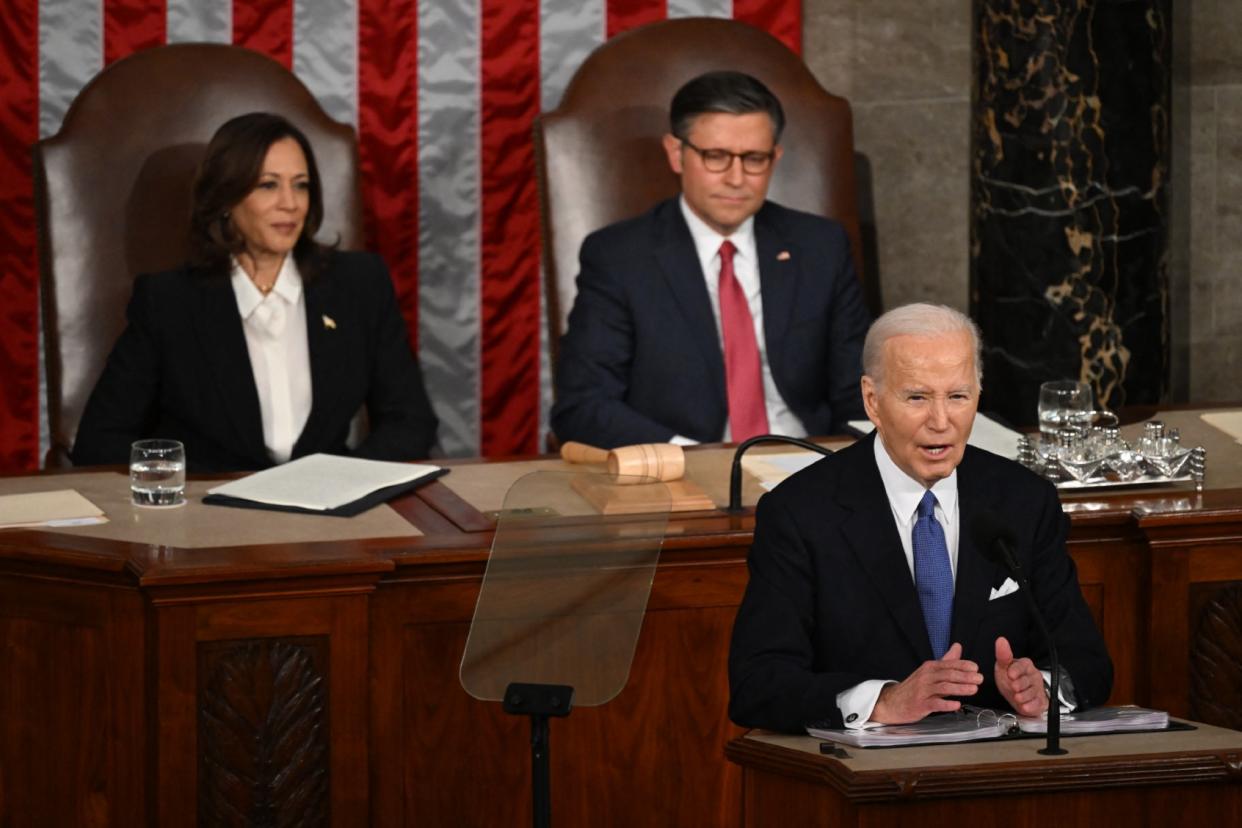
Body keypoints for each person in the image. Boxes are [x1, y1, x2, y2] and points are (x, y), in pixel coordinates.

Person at [728, 303, 1112, 734]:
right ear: (873, 401)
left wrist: (1041, 686)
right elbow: (757, 684)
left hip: (999, 768)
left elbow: (1087, 662)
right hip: (865, 780)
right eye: (917, 397)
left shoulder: (1023, 500)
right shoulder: (801, 513)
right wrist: (885, 701)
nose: (941, 421)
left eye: (958, 397)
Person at [71, 112, 438, 472]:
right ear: (226, 199)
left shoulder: (360, 283)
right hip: (208, 519)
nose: (290, 203)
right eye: (268, 185)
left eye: (301, 184)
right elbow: (100, 442)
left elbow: (410, 422)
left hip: (328, 519)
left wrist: (341, 483)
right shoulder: (169, 302)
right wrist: (189, 492)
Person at [551, 71, 871, 449]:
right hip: (680, 471)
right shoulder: (619, 257)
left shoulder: (820, 246)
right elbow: (582, 405)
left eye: (754, 159)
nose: (736, 178)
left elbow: (860, 390)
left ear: (775, 157)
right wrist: (689, 458)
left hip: (807, 463)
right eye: (716, 157)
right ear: (676, 153)